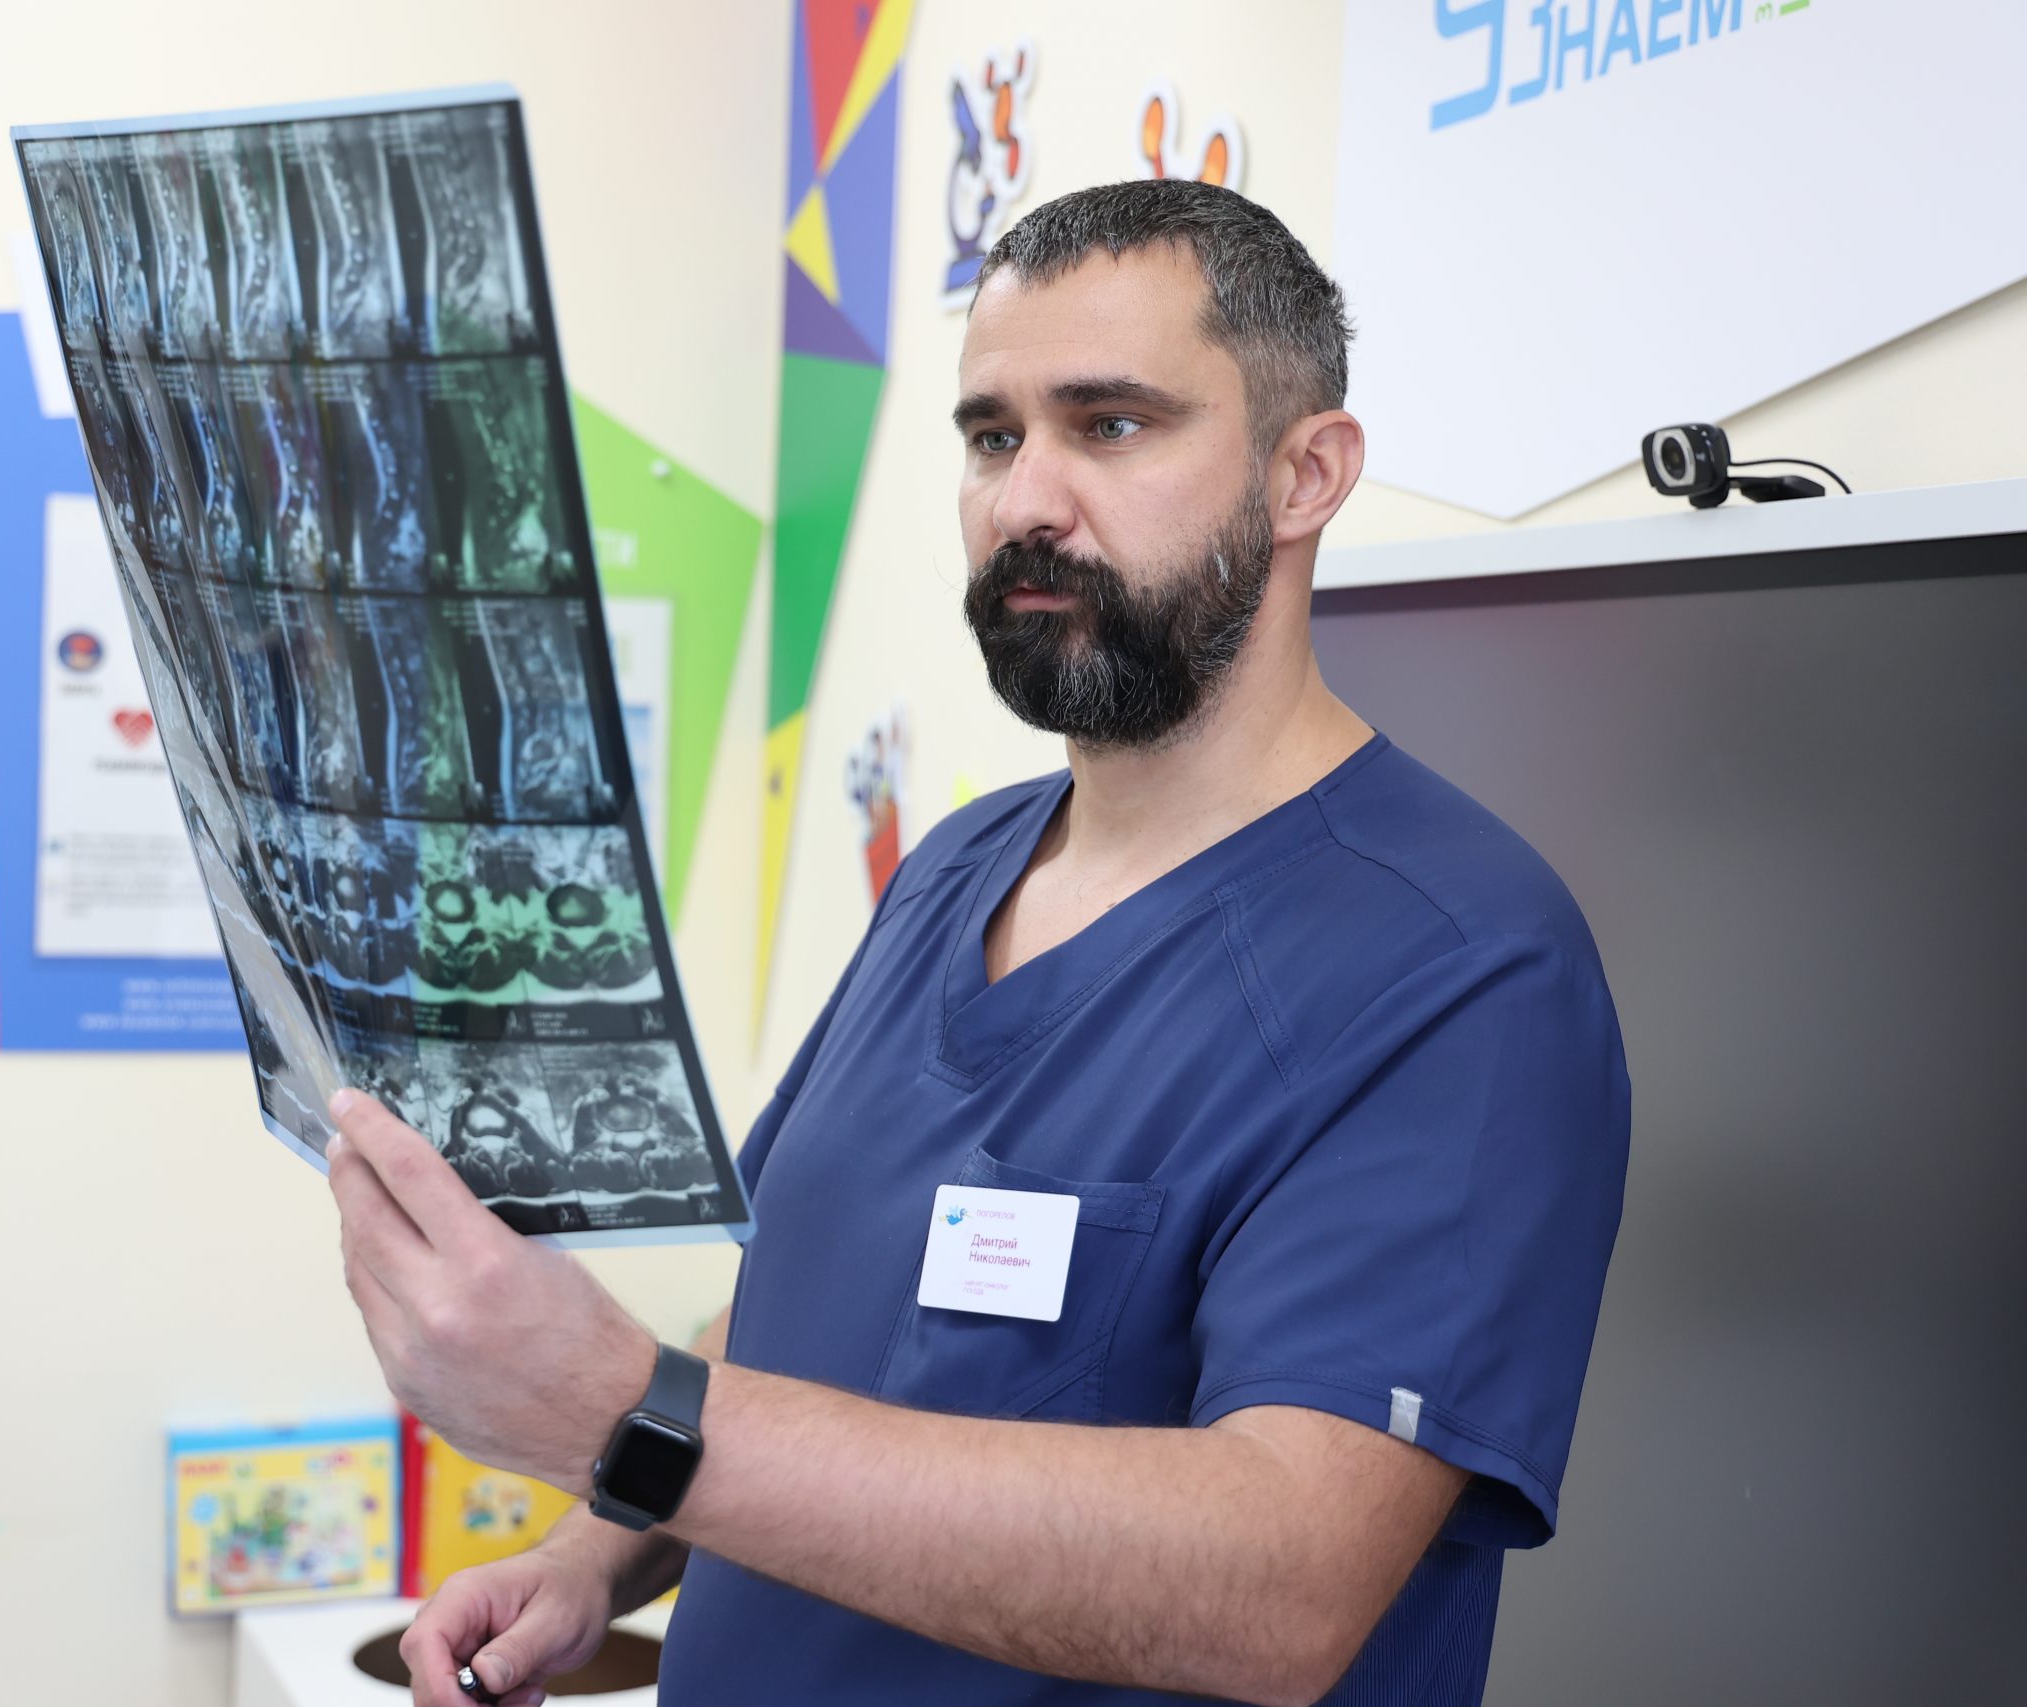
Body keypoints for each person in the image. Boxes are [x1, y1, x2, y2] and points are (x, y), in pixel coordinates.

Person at [324, 179, 1631, 1707]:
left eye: (1111, 425)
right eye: (994, 437)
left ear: (1305, 474)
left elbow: (1280, 1586)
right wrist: (594, 1552)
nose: (1026, 502)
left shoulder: (1462, 964)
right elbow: (804, 1303)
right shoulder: (957, 867)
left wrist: (627, 1412)